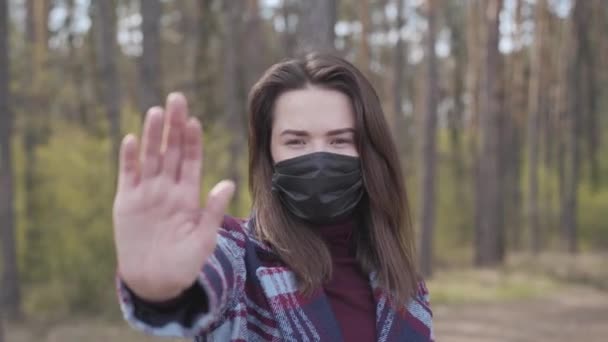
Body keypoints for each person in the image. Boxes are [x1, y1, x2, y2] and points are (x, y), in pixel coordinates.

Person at [113, 53, 434, 341]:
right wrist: (160, 292)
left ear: (369, 153)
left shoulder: (403, 284)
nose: (319, 157)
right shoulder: (239, 256)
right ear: (269, 155)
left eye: (339, 141)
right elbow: (206, 277)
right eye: (296, 142)